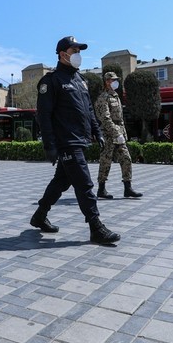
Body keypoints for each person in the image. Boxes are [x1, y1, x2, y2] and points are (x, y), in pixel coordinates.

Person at [30, 36, 121, 245]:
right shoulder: (51, 81)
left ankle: (40, 215)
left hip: (80, 139)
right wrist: (49, 145)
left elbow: (88, 110)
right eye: (75, 51)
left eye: (80, 51)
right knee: (84, 182)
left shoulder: (80, 80)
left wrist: (97, 132)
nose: (78, 55)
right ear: (63, 55)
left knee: (62, 181)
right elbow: (43, 116)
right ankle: (96, 227)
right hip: (66, 141)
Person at [93, 72, 142, 200]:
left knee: (126, 159)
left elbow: (120, 119)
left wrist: (122, 134)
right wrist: (116, 133)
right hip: (108, 134)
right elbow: (105, 118)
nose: (116, 82)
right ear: (107, 81)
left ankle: (128, 188)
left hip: (119, 133)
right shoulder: (103, 97)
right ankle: (101, 189)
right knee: (106, 161)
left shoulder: (116, 96)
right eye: (114, 80)